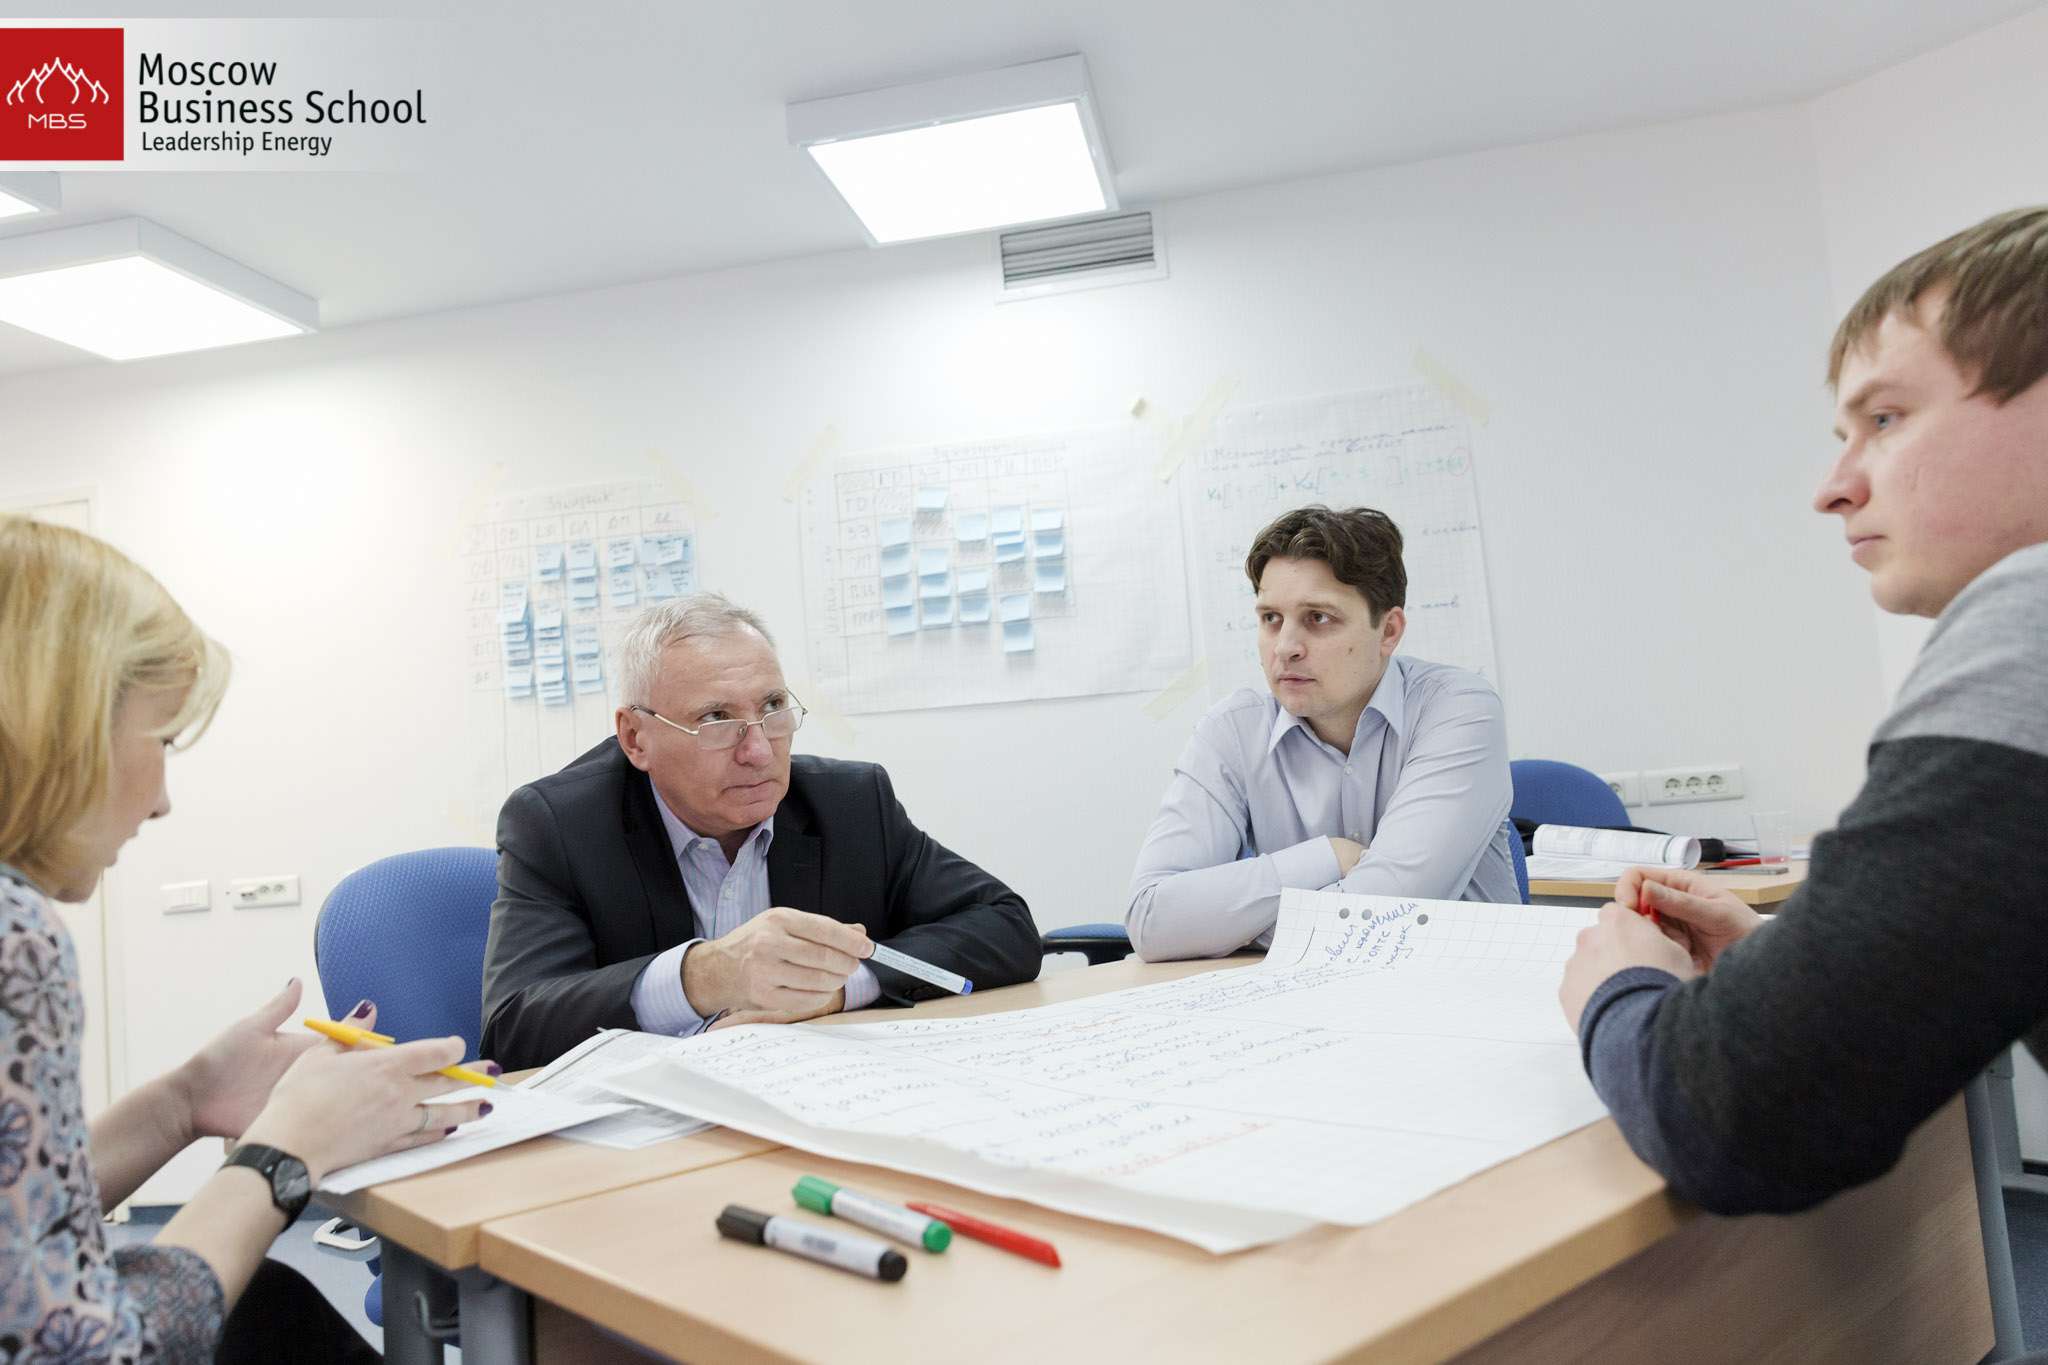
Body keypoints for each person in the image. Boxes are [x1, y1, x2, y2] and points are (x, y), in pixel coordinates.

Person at [1560, 206, 2048, 1214]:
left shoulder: (2030, 616)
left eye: (1885, 419)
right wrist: (1797, 968)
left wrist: (1616, 989)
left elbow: (1742, 1114)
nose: (1832, 489)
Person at [0, 516, 493, 1363]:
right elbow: (80, 1352)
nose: (161, 801)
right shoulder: (17, 935)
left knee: (263, 1307)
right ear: (59, 727)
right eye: (161, 739)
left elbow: (23, 1230)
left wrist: (186, 1098)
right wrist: (289, 1149)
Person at [480, 593, 1040, 1071]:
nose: (758, 751)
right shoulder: (559, 824)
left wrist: (837, 989)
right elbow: (514, 1029)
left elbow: (1006, 928)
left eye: (773, 707)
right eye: (715, 719)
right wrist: (703, 977)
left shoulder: (849, 803)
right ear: (635, 738)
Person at [1126, 505, 1518, 961]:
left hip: (1460, 990)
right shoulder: (1231, 731)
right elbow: (1151, 920)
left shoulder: (1457, 709)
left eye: (1319, 618)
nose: (1285, 648)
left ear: (1388, 631)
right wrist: (1329, 856)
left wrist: (1227, 926)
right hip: (1309, 996)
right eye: (1271, 618)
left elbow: (1382, 917)